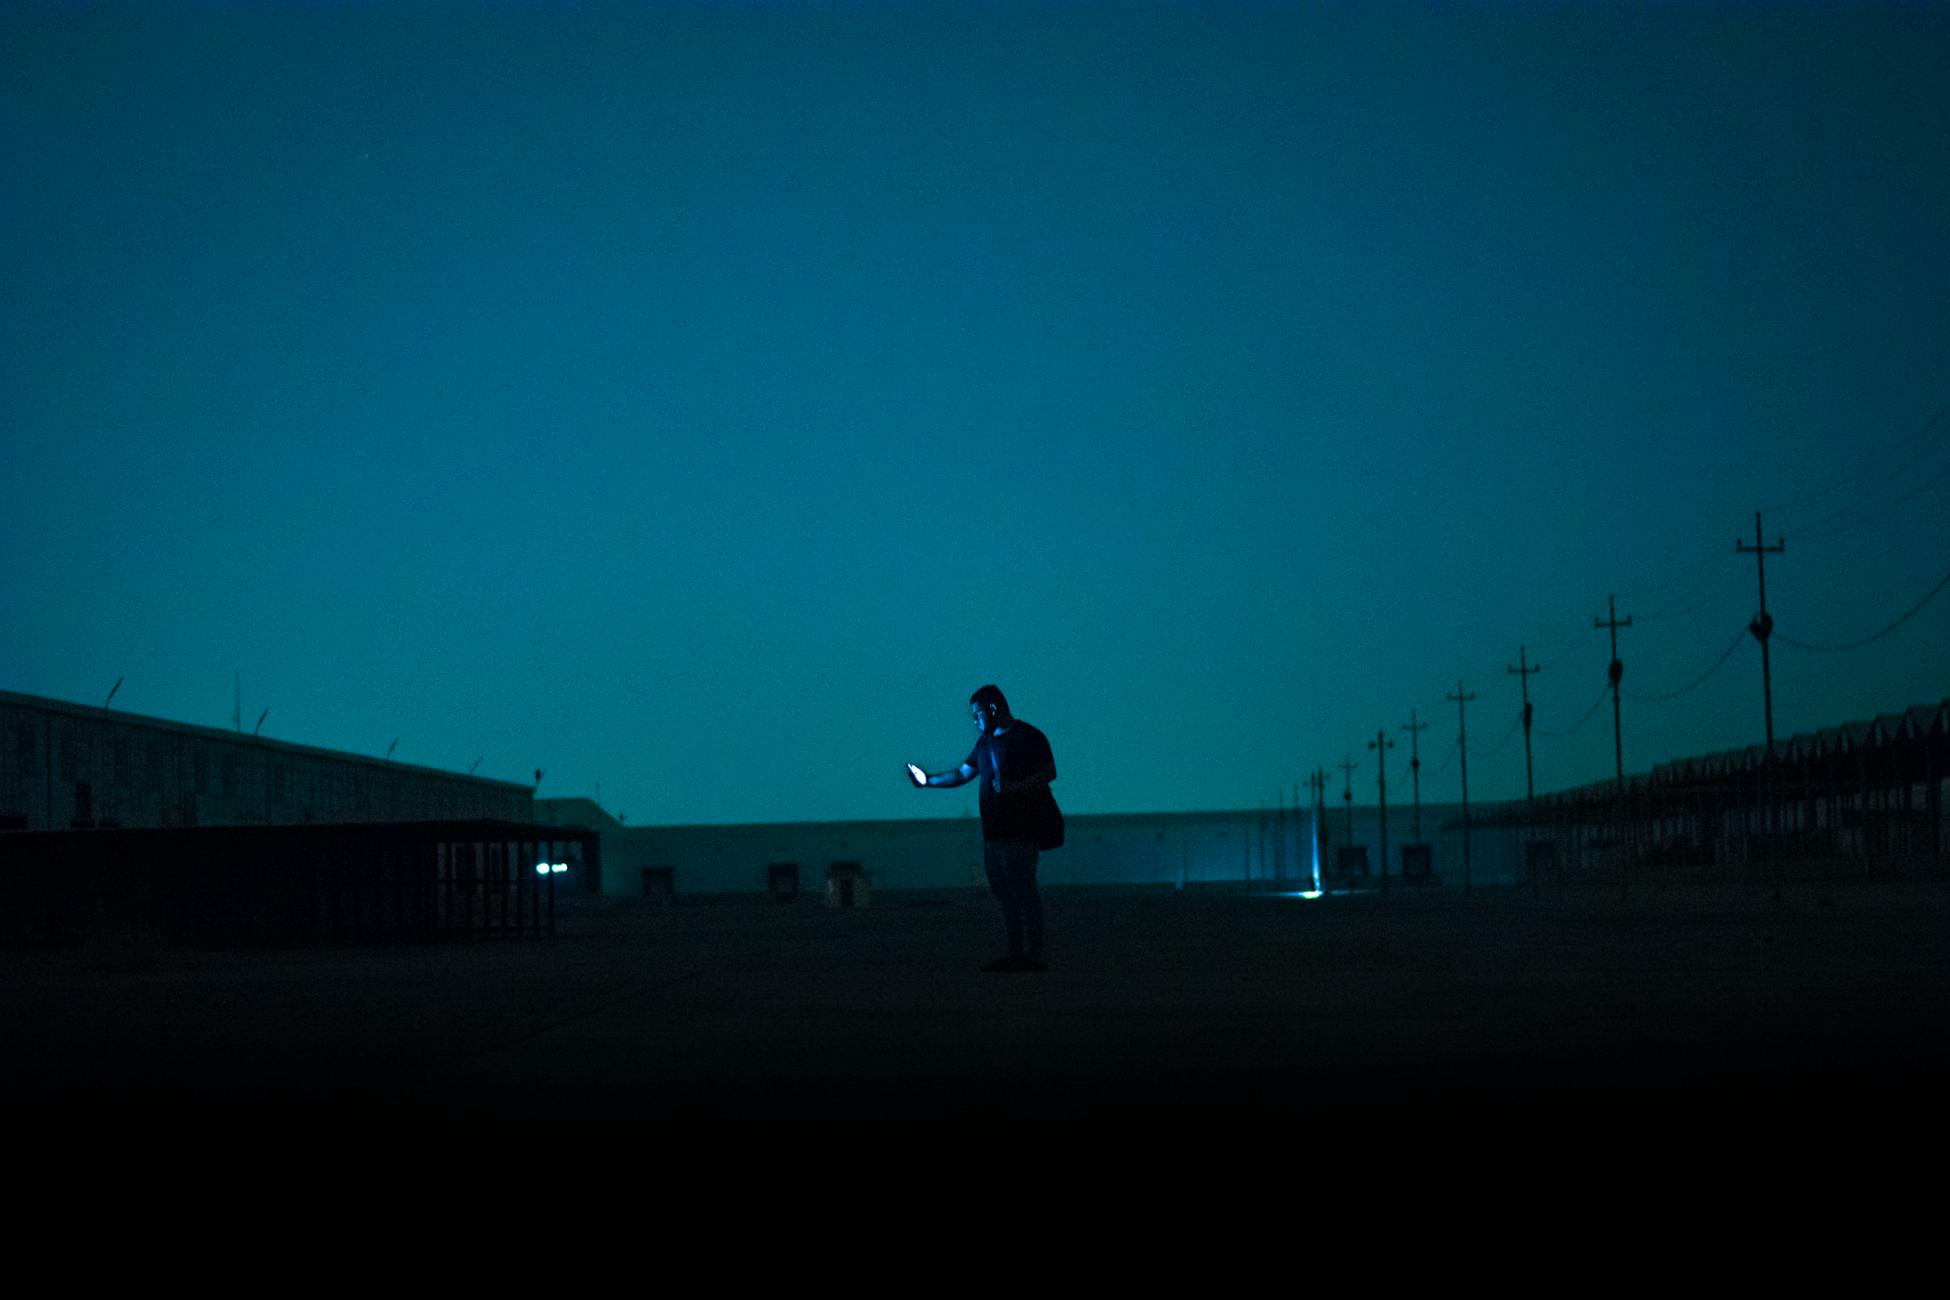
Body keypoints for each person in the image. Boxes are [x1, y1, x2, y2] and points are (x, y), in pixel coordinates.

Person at [907, 685, 1063, 972]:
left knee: (1024, 893)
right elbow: (962, 773)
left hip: (1021, 833)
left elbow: (1048, 772)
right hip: (993, 835)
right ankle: (1016, 954)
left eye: (977, 714)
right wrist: (928, 781)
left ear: (992, 709)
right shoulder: (985, 744)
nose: (974, 721)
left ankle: (1033, 956)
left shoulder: (1029, 737)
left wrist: (1014, 787)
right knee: (1005, 895)